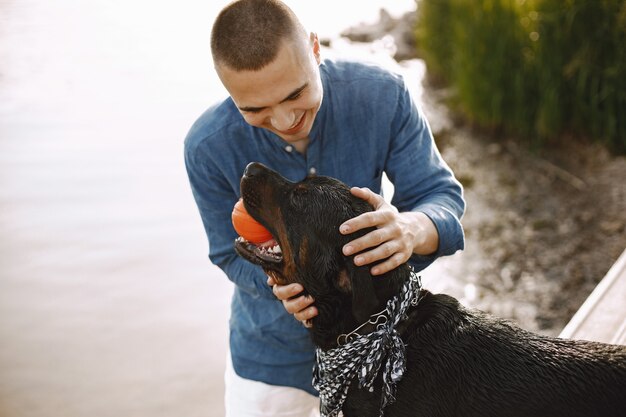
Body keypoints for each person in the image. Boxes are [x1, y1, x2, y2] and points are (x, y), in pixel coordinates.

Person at [184, 0, 465, 415]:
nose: (283, 120)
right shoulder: (206, 146)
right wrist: (276, 285)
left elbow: (439, 196)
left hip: (388, 354)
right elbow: (227, 253)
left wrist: (409, 229)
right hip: (271, 365)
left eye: (295, 94)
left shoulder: (383, 93)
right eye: (255, 110)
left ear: (315, 50)